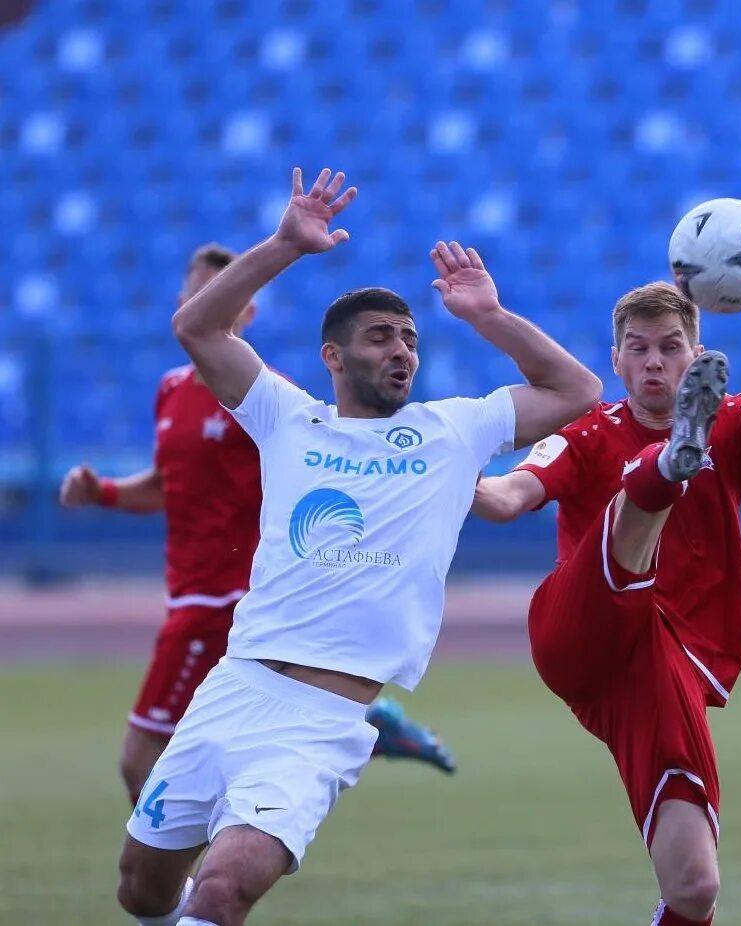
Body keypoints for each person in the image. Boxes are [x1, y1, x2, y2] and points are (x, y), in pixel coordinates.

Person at [114, 166, 602, 926]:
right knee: (141, 889)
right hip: (233, 688)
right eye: (380, 337)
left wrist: (489, 315)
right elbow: (197, 329)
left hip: (320, 723)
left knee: (222, 889)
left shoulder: (451, 430)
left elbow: (577, 391)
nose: (401, 350)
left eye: (409, 338)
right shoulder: (288, 417)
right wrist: (283, 244)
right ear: (333, 358)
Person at [472, 283, 741, 925]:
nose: (654, 362)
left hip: (668, 671)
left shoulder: (739, 420)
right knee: (633, 505)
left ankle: (667, 463)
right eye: (638, 349)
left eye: (669, 348)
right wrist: (436, 465)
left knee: (694, 888)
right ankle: (666, 465)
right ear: (616, 361)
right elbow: (505, 499)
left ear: (696, 355)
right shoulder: (587, 432)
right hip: (581, 633)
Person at [59, 243, 456, 811]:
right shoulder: (172, 389)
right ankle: (365, 726)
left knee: (143, 759)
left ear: (247, 315)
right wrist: (104, 492)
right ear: (180, 302)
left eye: (224, 296)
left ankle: (185, 888)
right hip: (193, 588)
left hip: (232, 595)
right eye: (195, 293)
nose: (206, 304)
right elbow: (170, 482)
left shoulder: (262, 400)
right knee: (241, 741)